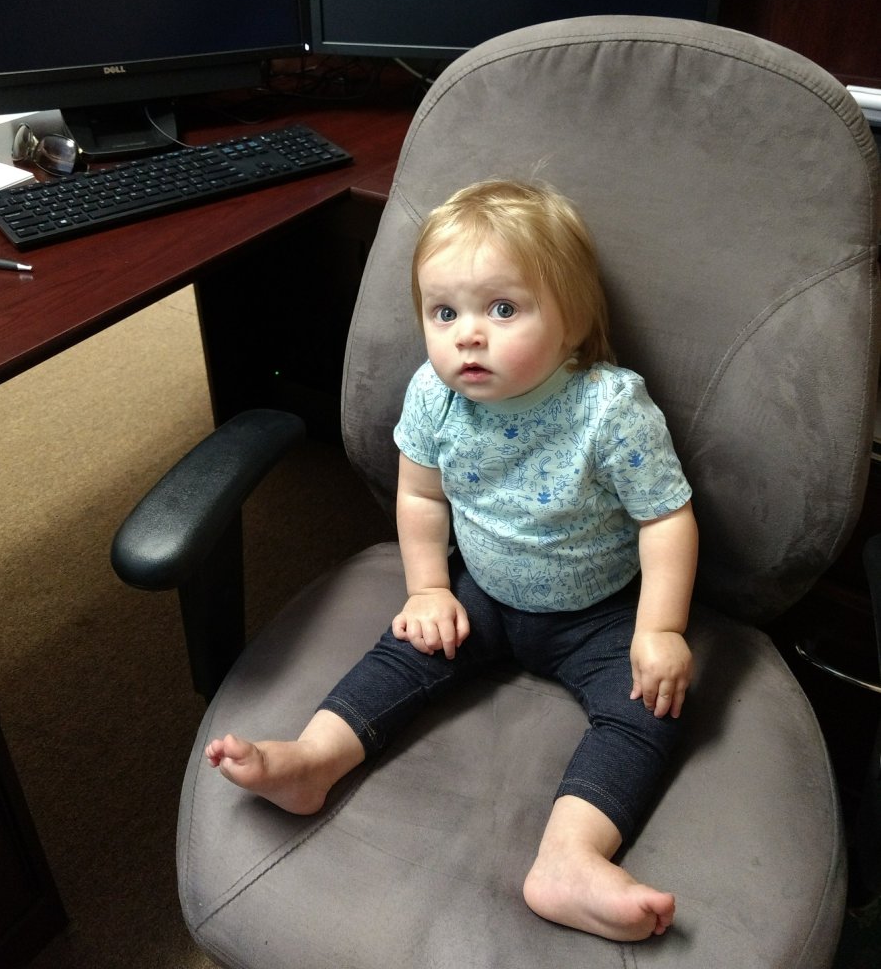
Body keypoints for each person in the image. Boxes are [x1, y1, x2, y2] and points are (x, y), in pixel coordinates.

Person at [206, 179, 698, 943]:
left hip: (598, 613)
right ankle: (313, 761)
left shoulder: (608, 408)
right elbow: (421, 497)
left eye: (502, 309)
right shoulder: (433, 397)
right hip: (482, 593)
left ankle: (569, 857)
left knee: (651, 706)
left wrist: (659, 630)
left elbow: (665, 518)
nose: (467, 335)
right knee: (401, 651)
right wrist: (430, 589)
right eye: (444, 313)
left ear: (572, 321)